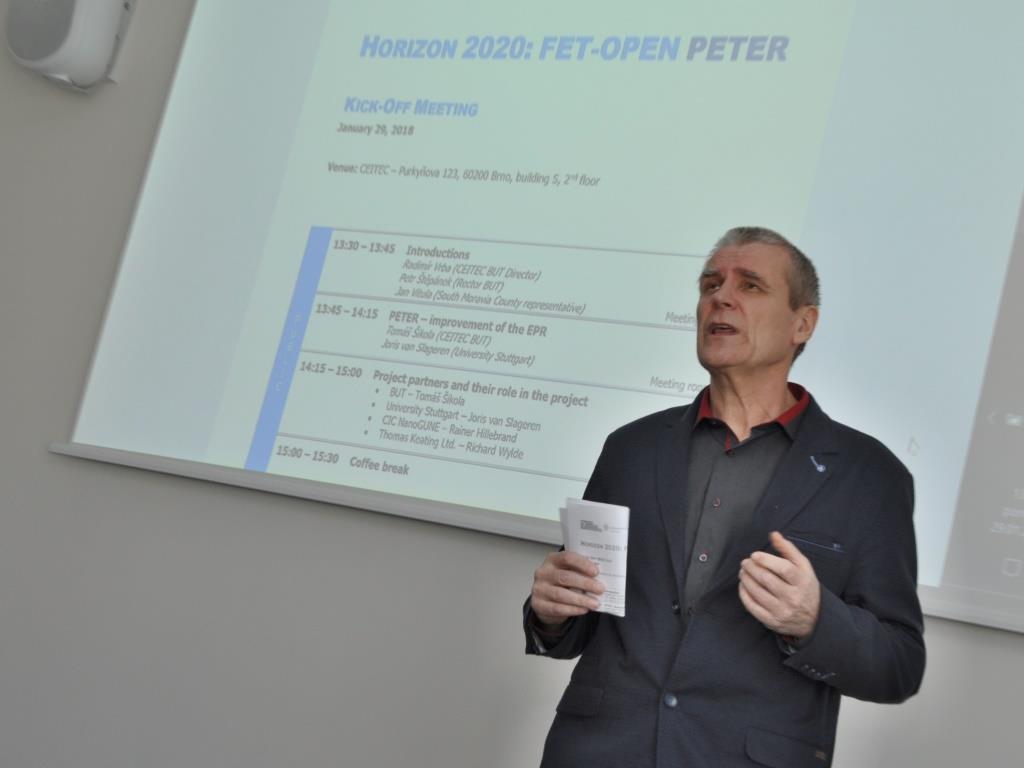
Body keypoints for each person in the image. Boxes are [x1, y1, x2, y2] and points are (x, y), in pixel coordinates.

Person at [524, 227, 925, 768]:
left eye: (750, 285)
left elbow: (900, 665)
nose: (721, 297)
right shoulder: (631, 448)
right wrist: (551, 614)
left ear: (802, 324)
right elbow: (580, 615)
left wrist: (815, 620)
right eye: (710, 284)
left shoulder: (869, 477)